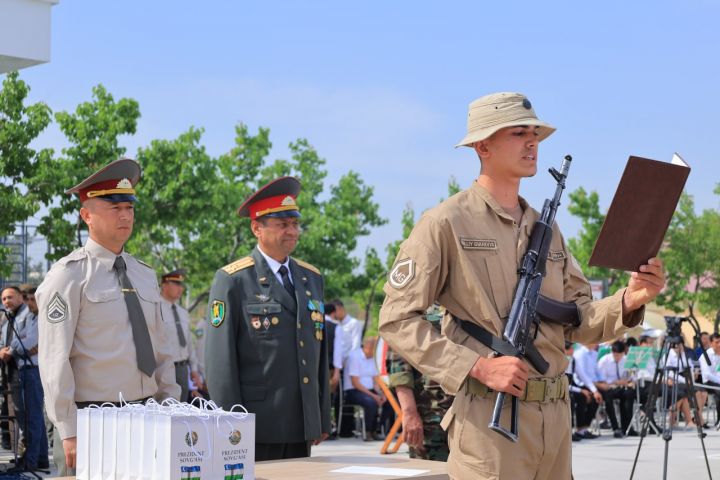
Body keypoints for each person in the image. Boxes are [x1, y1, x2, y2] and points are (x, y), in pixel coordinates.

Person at [378, 92, 665, 479]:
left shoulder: (547, 229)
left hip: (555, 420)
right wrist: (477, 366)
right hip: (489, 421)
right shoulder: (445, 223)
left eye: (535, 134)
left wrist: (630, 299)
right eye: (518, 133)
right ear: (483, 146)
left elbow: (579, 318)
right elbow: (397, 319)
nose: (532, 143)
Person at [36, 158, 180, 475]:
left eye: (129, 207)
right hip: (92, 419)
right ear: (86, 215)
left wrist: (170, 404)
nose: (125, 215)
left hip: (147, 416)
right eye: (114, 207)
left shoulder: (144, 274)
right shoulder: (68, 275)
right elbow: (54, 359)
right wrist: (68, 429)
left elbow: (161, 348)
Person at [204, 176, 330, 461]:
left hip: (301, 421)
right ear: (256, 228)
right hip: (256, 423)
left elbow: (319, 352)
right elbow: (220, 361)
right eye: (282, 224)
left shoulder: (311, 278)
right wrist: (230, 421)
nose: (292, 231)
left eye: (295, 223)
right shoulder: (233, 280)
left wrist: (320, 415)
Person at [388, 306, 452, 460]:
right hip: (432, 417)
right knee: (431, 470)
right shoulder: (416, 305)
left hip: (475, 417)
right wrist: (409, 412)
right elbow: (400, 367)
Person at [159, 269, 201, 402]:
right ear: (164, 285)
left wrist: (194, 369)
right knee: (166, 407)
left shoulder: (183, 312)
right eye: (176, 284)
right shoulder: (155, 309)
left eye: (181, 285)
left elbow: (189, 343)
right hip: (164, 369)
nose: (180, 288)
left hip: (183, 369)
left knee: (182, 408)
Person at [343, 336, 388, 441]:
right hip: (353, 391)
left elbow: (375, 381)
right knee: (371, 402)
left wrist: (380, 394)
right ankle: (368, 432)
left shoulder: (373, 358)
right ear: (367, 347)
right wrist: (374, 396)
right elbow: (355, 383)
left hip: (369, 390)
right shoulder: (354, 357)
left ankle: (377, 429)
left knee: (388, 402)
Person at [596, 340, 636, 437]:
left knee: (629, 394)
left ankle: (627, 427)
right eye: (615, 355)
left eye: (620, 355)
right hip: (608, 387)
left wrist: (630, 381)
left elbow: (632, 375)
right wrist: (615, 382)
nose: (617, 357)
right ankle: (615, 428)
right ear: (612, 352)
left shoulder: (626, 360)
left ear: (623, 353)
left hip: (621, 387)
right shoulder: (604, 361)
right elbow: (600, 378)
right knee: (608, 397)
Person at [572, 343, 603, 438]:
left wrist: (595, 390)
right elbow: (577, 379)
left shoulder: (594, 354)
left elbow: (584, 375)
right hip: (578, 386)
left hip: (589, 384)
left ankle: (585, 428)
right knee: (582, 398)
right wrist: (581, 390)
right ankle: (580, 428)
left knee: (599, 396)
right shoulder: (578, 354)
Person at [699, 333, 720, 426]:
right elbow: (707, 374)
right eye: (717, 342)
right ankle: (719, 419)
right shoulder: (706, 355)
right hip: (708, 382)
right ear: (711, 343)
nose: (719, 345)